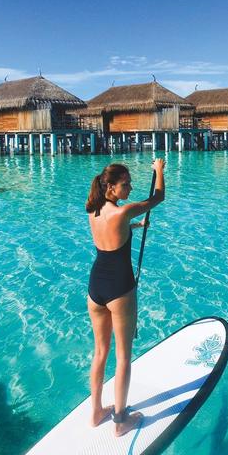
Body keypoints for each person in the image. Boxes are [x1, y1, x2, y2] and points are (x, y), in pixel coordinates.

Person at [84, 159, 166, 437]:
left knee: (99, 353)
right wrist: (158, 170)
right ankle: (121, 421)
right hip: (120, 289)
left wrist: (136, 226)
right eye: (126, 184)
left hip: (95, 289)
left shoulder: (94, 211)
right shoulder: (125, 211)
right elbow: (159, 197)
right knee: (123, 357)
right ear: (111, 187)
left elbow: (112, 234)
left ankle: (96, 412)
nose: (130, 188)